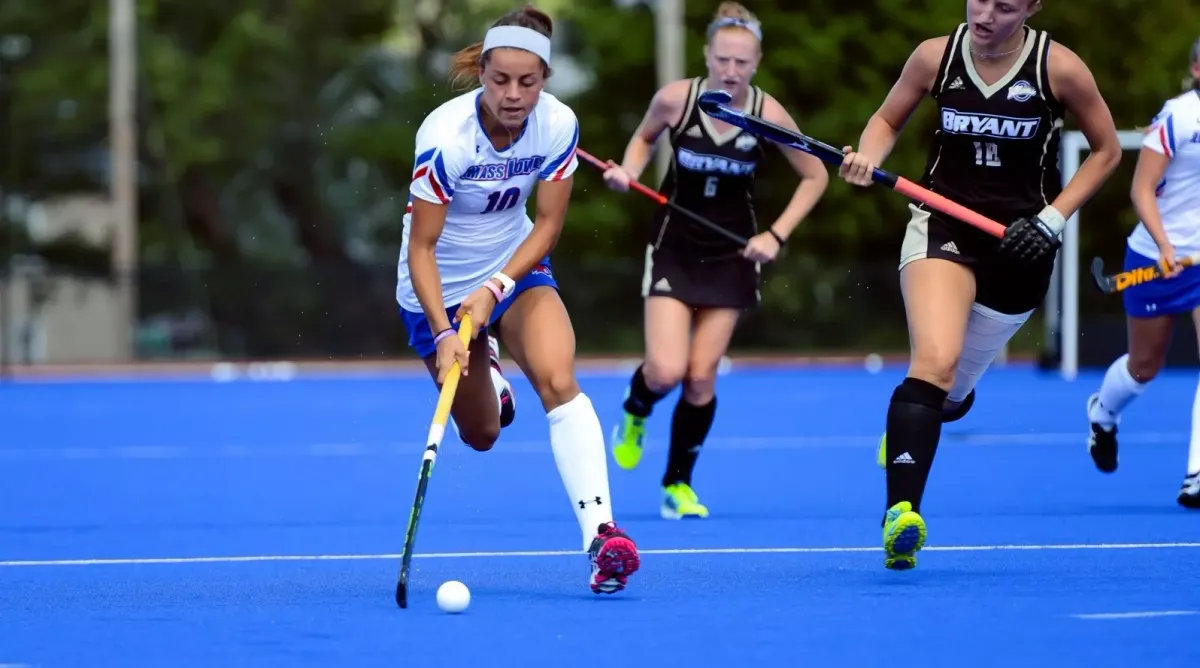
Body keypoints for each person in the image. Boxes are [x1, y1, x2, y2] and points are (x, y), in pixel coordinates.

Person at [839, 0, 1122, 569]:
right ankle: (901, 516)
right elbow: (886, 119)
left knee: (952, 396)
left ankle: (913, 427)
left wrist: (1052, 219)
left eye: (1005, 5)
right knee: (934, 365)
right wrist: (868, 157)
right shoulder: (935, 57)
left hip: (1022, 245)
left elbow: (1107, 151)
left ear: (1032, 8)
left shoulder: (1058, 68)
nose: (985, 14)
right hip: (941, 224)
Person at [398, 5, 640, 594]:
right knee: (481, 433)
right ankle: (491, 375)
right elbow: (422, 248)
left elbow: (548, 226)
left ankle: (601, 537)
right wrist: (446, 330)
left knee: (559, 376)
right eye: (500, 79)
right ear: (482, 73)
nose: (513, 94)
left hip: (515, 269)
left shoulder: (557, 125)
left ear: (545, 78)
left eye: (527, 82)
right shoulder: (444, 139)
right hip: (438, 288)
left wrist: (496, 288)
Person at [601, 1, 829, 520]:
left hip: (732, 253)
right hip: (674, 248)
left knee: (701, 378)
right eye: (722, 59)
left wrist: (776, 234)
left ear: (757, 63)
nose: (731, 71)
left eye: (742, 63)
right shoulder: (676, 100)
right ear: (706, 55)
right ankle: (636, 410)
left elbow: (815, 176)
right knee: (664, 369)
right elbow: (642, 139)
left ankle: (677, 485)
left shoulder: (767, 114)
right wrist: (629, 172)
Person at [1086, 37, 1200, 509]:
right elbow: (1141, 189)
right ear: (1196, 70)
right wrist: (1167, 246)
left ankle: (1196, 475)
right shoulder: (1177, 118)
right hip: (1156, 255)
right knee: (1144, 367)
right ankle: (1104, 414)